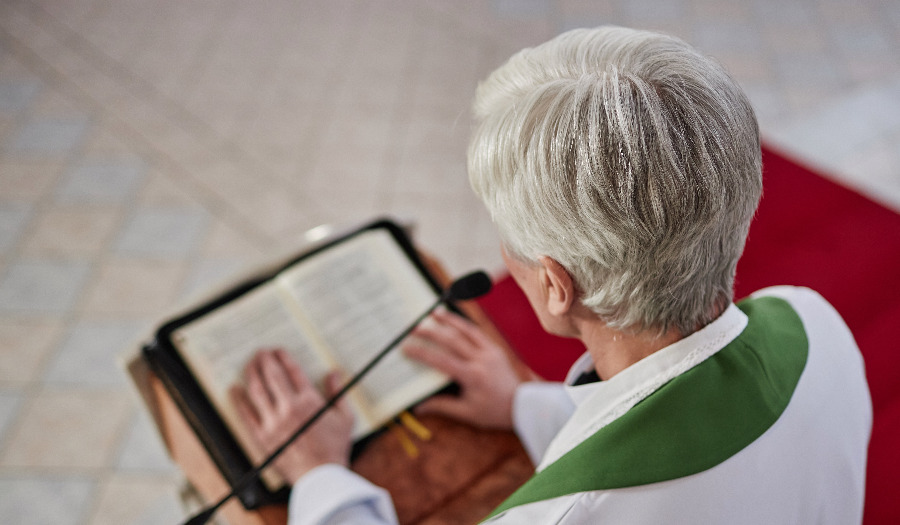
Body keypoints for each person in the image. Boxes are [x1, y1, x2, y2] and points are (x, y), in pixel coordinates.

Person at [230, 26, 872, 524]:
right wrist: (522, 404)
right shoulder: (816, 325)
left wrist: (319, 477)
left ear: (556, 285)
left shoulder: (561, 516)